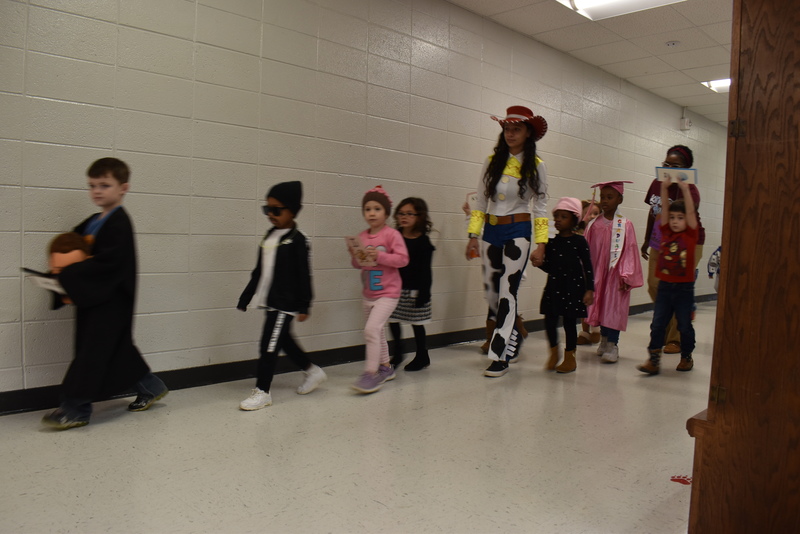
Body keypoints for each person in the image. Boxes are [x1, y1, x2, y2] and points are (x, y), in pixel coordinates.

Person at [41, 157, 168, 430]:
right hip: (97, 300)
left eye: (104, 185)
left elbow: (108, 264)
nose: (97, 191)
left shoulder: (119, 223)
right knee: (118, 352)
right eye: (92, 185)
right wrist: (57, 273)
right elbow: (73, 249)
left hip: (112, 302)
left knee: (91, 355)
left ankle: (75, 409)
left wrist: (68, 276)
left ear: (123, 188)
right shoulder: (93, 222)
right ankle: (151, 387)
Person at [465, 105, 549, 377]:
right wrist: (473, 235)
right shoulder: (492, 161)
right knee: (491, 294)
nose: (510, 134)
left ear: (528, 133)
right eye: (507, 129)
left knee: (506, 292)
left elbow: (541, 206)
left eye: (516, 129)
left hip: (518, 231)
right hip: (491, 231)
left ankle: (500, 355)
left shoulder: (536, 165)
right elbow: (480, 201)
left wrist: (542, 243)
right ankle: (516, 333)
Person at [236, 181, 325, 410]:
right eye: (267, 209)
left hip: (285, 303)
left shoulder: (298, 240)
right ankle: (313, 371)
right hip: (270, 301)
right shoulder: (269, 236)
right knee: (283, 340)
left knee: (269, 345)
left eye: (276, 210)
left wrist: (305, 304)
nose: (270, 215)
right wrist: (246, 296)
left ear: (292, 211)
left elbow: (304, 275)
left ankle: (262, 391)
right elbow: (259, 271)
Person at [641, 145, 705, 354]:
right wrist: (646, 239)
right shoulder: (657, 183)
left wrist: (681, 187)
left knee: (677, 289)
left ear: (686, 169)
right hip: (660, 239)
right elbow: (653, 212)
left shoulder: (691, 190)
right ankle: (668, 325)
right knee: (654, 284)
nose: (669, 169)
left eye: (675, 166)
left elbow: (688, 217)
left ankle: (675, 339)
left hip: (687, 242)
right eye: (666, 164)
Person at [348, 186, 409, 393]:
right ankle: (385, 367)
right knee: (378, 331)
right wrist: (355, 256)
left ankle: (370, 373)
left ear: (386, 212)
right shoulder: (361, 237)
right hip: (368, 294)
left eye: (377, 209)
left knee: (371, 330)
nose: (372, 213)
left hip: (388, 293)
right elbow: (359, 265)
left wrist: (380, 256)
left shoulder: (392, 235)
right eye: (367, 209)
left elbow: (403, 259)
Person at [637, 176, 699, 375]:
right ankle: (654, 359)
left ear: (687, 219)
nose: (675, 221)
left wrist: (685, 189)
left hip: (683, 289)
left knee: (684, 325)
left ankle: (686, 356)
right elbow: (663, 209)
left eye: (680, 218)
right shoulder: (665, 232)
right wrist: (664, 189)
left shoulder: (690, 234)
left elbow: (691, 212)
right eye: (672, 217)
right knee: (658, 324)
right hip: (665, 287)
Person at [584, 180, 644, 363]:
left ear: (620, 199)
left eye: (610, 197)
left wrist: (626, 275)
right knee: (601, 307)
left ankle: (613, 344)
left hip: (616, 275)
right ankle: (604, 339)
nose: (605, 200)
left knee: (613, 308)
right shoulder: (593, 225)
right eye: (602, 197)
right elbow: (585, 251)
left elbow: (630, 250)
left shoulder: (625, 225)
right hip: (597, 274)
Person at [536, 198, 594, 374]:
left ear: (574, 220)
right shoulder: (552, 243)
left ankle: (570, 357)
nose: (558, 220)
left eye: (563, 217)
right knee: (549, 320)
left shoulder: (580, 242)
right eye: (556, 216)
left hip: (573, 288)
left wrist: (590, 289)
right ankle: (554, 352)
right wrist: (539, 263)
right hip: (554, 287)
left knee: (569, 323)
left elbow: (588, 267)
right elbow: (550, 267)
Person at [388, 197, 436, 371]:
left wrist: (424, 292)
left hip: (415, 289)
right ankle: (398, 351)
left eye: (410, 214)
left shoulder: (423, 242)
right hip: (395, 287)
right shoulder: (393, 237)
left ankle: (422, 354)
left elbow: (426, 270)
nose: (404, 217)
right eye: (401, 213)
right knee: (392, 319)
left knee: (417, 323)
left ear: (419, 217)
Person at [576, 199, 602, 346]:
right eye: (588, 213)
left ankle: (596, 328)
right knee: (583, 303)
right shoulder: (577, 234)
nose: (592, 216)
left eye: (596, 213)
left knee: (595, 301)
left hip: (597, 274)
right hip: (581, 274)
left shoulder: (602, 233)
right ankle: (585, 332)